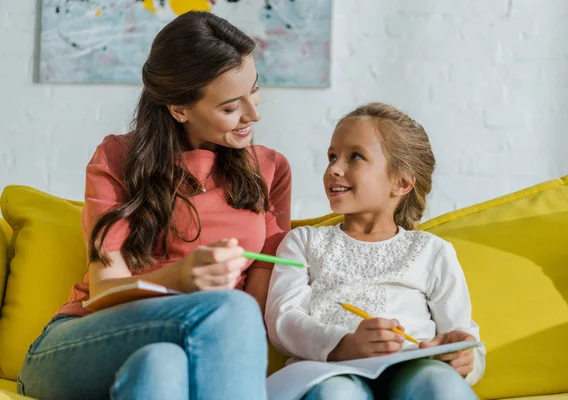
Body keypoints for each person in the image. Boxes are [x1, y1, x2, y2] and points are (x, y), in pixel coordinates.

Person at [17, 11, 291, 400]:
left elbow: (260, 296)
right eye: (231, 107)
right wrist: (181, 279)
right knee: (230, 308)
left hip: (191, 345)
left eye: (255, 89)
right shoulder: (116, 158)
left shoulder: (270, 168)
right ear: (180, 109)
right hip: (84, 340)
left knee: (160, 366)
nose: (254, 114)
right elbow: (104, 287)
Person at [265, 103, 485, 400]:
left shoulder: (431, 251)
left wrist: (465, 359)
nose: (334, 169)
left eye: (355, 156)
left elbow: (461, 334)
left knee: (440, 384)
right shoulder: (302, 242)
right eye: (332, 156)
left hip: (414, 369)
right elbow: (284, 320)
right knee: (335, 394)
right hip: (332, 371)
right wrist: (343, 344)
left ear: (401, 182)